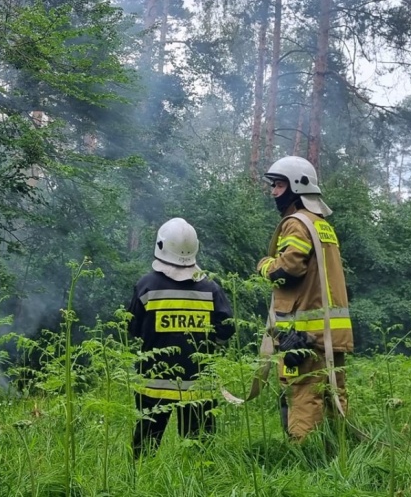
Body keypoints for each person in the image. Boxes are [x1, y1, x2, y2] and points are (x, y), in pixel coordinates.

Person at [255, 156, 353, 440]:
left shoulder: (296, 223)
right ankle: (337, 452)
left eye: (279, 185)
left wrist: (264, 265)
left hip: (304, 335)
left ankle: (306, 457)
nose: (274, 192)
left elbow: (288, 270)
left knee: (303, 396)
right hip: (330, 332)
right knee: (332, 395)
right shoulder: (321, 224)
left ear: (297, 186)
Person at [126, 218, 232, 458]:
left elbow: (132, 328)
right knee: (199, 454)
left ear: (161, 245)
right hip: (199, 385)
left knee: (144, 452)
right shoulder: (210, 288)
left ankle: (140, 479)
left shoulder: (146, 286)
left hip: (154, 384)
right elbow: (226, 329)